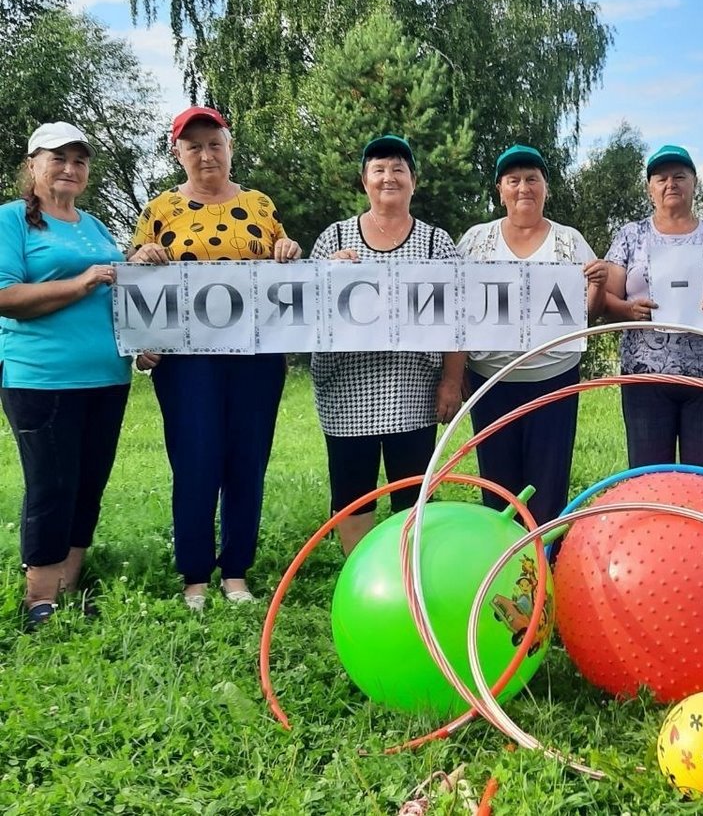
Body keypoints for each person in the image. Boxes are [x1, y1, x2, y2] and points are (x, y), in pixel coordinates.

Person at [127, 106, 302, 610]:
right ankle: (195, 577)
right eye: (194, 146)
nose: (206, 154)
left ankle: (237, 573)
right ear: (178, 152)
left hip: (255, 358)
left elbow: (283, 266)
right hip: (188, 364)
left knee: (247, 461)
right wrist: (140, 258)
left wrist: (288, 248)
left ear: (229, 148)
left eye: (214, 144)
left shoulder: (259, 204)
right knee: (196, 461)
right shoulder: (160, 209)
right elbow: (134, 282)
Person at [0, 123, 131, 630]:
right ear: (32, 164)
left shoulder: (94, 225)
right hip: (43, 379)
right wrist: (80, 284)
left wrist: (142, 341)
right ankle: (40, 599)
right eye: (58, 158)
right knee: (51, 486)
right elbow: (6, 296)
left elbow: (118, 294)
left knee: (87, 484)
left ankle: (69, 588)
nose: (70, 169)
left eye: (79, 160)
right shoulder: (12, 220)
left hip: (108, 377)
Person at [311, 135, 465, 554]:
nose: (388, 177)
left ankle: (406, 574)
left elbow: (458, 318)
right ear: (365, 181)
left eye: (398, 169)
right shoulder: (334, 238)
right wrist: (325, 275)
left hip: (411, 389)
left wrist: (452, 381)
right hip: (346, 390)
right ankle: (357, 573)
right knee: (352, 493)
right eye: (378, 169)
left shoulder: (436, 242)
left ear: (414, 180)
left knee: (413, 494)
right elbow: (307, 312)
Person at [457, 144, 607, 525]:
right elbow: (454, 308)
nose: (523, 187)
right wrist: (454, 374)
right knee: (496, 484)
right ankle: (503, 555)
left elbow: (586, 315)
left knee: (548, 484)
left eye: (532, 179)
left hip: (554, 380)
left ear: (545, 188)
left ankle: (545, 557)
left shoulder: (569, 241)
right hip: (491, 382)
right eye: (513, 180)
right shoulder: (475, 241)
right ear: (500, 190)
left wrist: (598, 286)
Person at [604, 144, 703, 470]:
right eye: (661, 178)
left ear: (694, 184)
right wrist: (628, 310)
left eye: (679, 176)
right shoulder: (631, 235)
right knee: (649, 475)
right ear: (650, 189)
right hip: (645, 375)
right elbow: (606, 300)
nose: (671, 184)